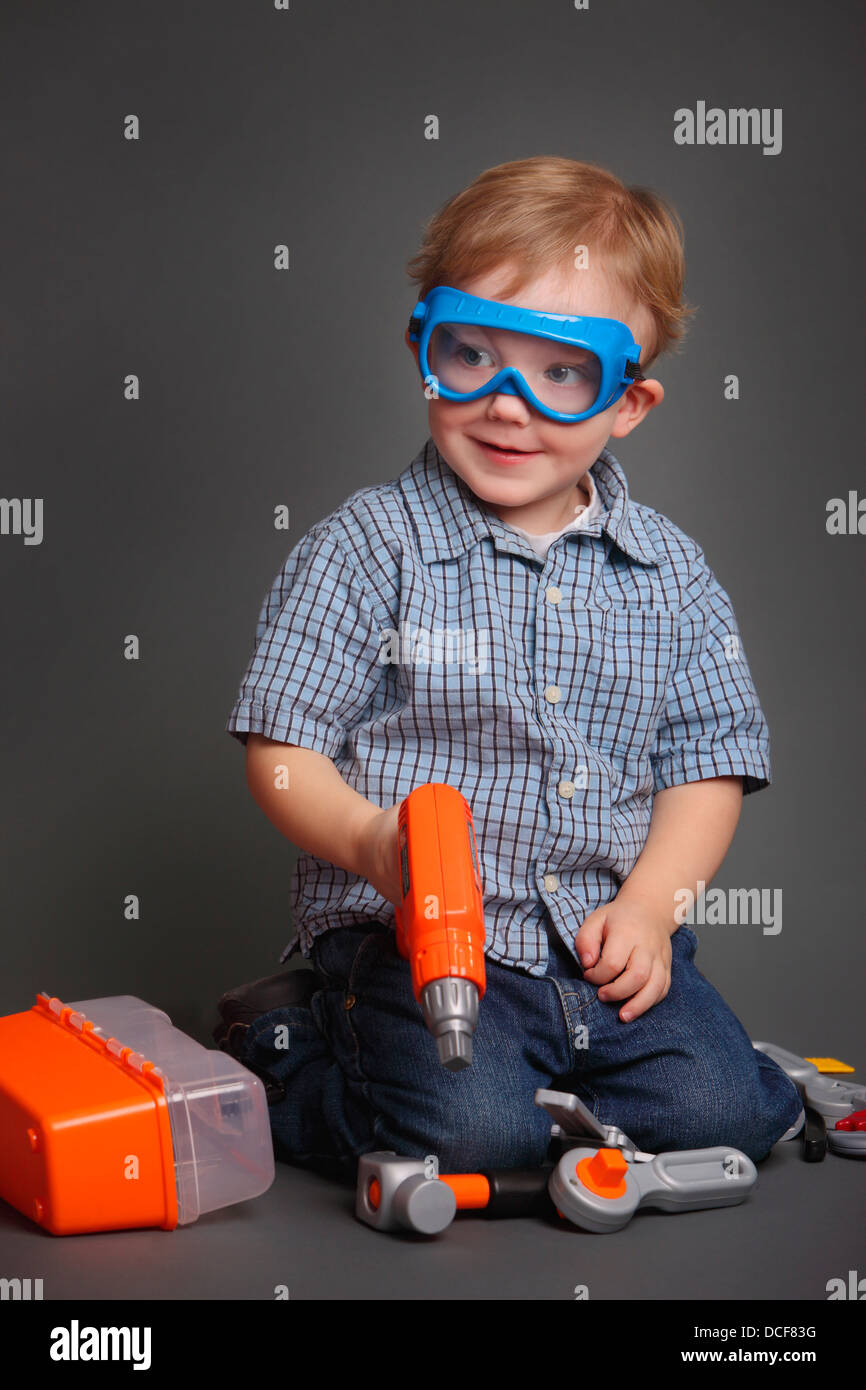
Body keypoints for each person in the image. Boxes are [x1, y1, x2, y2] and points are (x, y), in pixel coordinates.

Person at [217, 156, 803, 1185]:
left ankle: (575, 1082)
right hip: (420, 948)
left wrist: (654, 903)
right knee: (472, 1137)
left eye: (560, 369)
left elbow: (706, 761)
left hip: (595, 943)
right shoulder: (366, 547)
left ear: (628, 401)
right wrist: (370, 839)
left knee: (724, 1110)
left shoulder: (670, 572)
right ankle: (283, 1055)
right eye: (471, 353)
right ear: (421, 347)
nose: (504, 401)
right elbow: (282, 748)